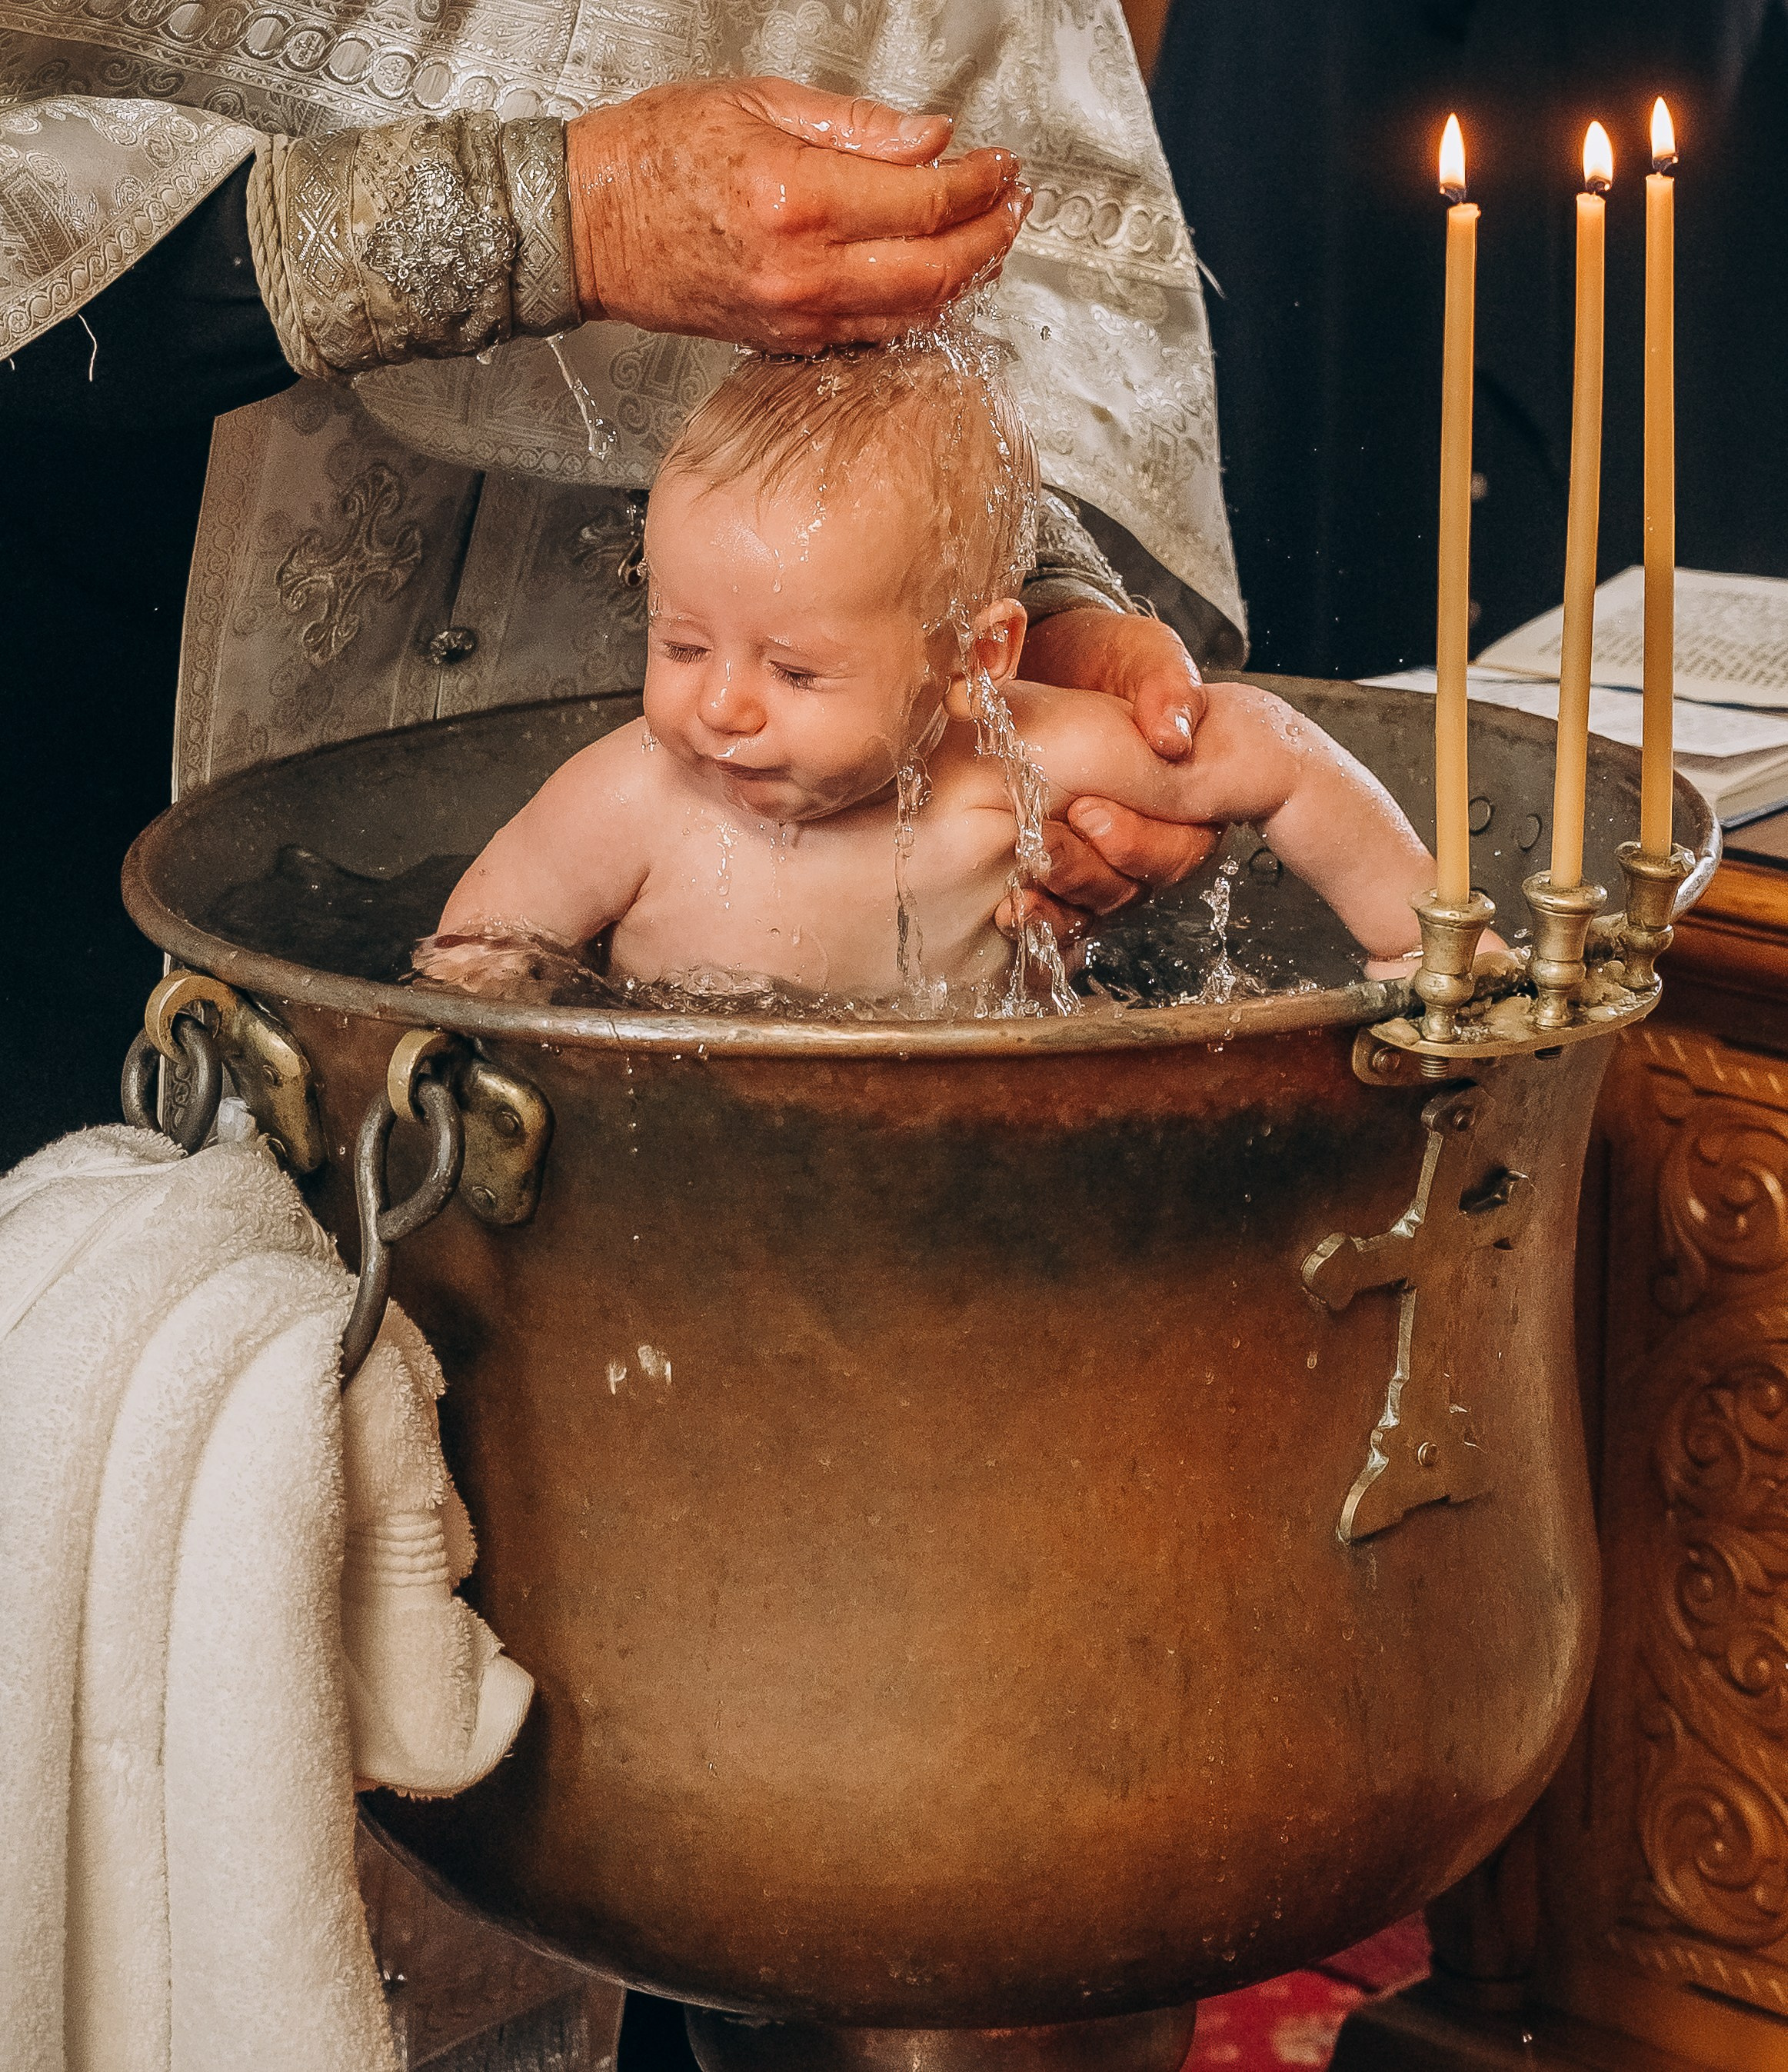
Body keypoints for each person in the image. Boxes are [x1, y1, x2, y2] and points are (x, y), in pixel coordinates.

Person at [2, 15, 1242, 1161]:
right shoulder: (622, 796)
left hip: (781, 923)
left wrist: (1035, 602)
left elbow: (960, 376)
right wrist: (557, 216)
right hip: (94, 684)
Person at [419, 342, 1430, 1008]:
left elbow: (1272, 752)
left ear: (974, 658)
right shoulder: (628, 798)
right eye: (680, 645)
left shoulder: (1018, 759)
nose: (718, 705)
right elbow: (472, 956)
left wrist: (1423, 948)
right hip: (693, 1151)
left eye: (796, 671)